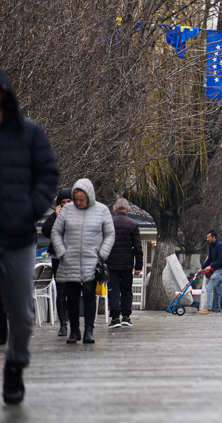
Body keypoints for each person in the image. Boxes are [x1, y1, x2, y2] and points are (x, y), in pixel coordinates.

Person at [0, 67, 59, 404]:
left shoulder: (30, 134)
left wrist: (31, 208)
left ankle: (16, 364)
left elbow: (48, 173)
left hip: (18, 238)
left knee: (21, 313)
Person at [51, 179, 115, 345]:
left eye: (82, 199)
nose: (78, 202)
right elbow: (56, 232)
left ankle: (88, 330)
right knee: (71, 298)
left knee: (88, 295)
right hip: (69, 261)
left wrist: (102, 254)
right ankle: (73, 330)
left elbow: (110, 234)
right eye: (76, 199)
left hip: (91, 261)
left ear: (89, 197)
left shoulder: (102, 210)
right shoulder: (66, 211)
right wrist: (62, 253)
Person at [106, 198, 144, 329]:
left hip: (111, 263)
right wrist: (138, 265)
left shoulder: (108, 223)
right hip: (127, 263)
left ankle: (115, 318)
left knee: (114, 290)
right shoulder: (133, 224)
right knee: (127, 290)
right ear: (128, 210)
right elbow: (138, 247)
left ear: (115, 209)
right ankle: (126, 317)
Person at [40, 188, 72, 337]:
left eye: (68, 201)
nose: (66, 204)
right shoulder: (55, 216)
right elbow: (46, 231)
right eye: (63, 202)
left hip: (74, 257)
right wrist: (58, 218)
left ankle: (72, 320)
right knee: (61, 291)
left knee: (74, 291)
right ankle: (63, 324)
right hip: (57, 257)